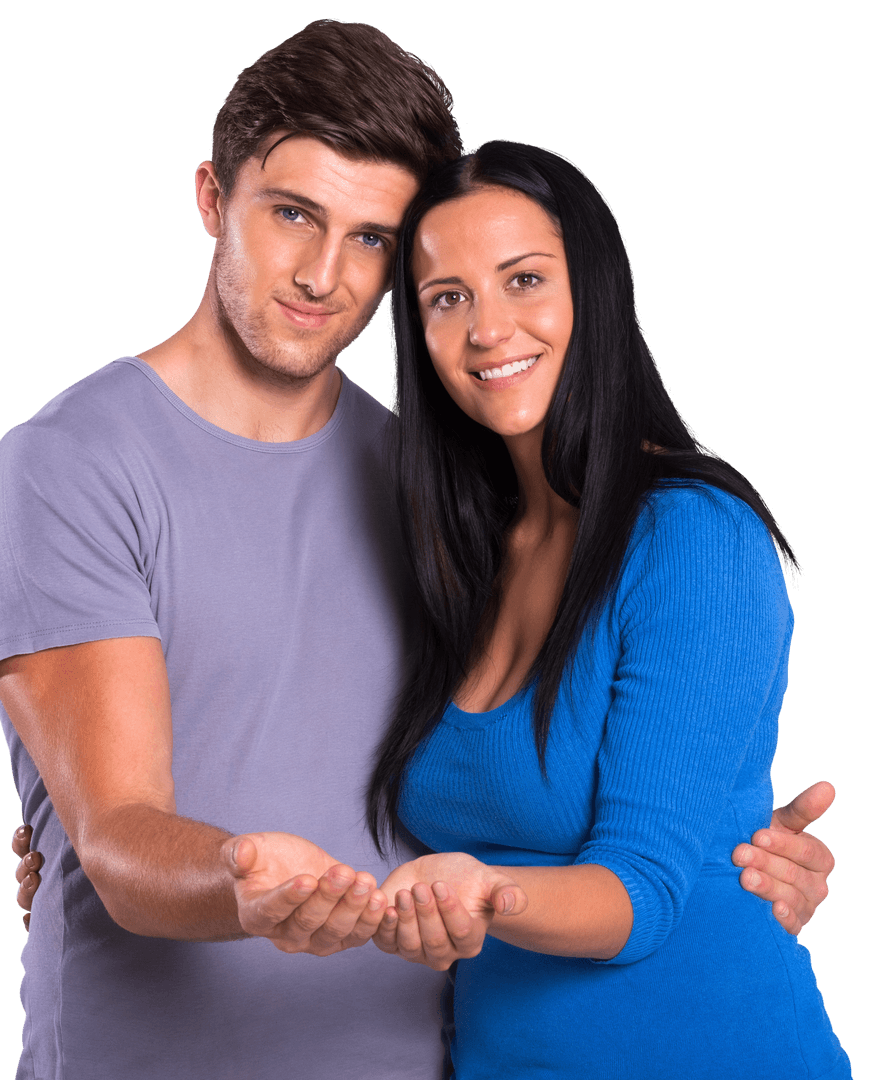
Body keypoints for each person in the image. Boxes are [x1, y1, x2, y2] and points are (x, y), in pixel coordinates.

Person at [0, 20, 837, 1080]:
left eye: (371, 238)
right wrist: (227, 871)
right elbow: (120, 839)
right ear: (209, 199)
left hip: (425, 1057)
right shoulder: (67, 466)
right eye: (291, 214)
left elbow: (590, 792)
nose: (323, 274)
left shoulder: (428, 484)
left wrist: (724, 847)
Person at [363, 140, 850, 1077]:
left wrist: (477, 890)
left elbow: (641, 893)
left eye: (525, 279)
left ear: (596, 288)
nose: (488, 329)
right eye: (448, 297)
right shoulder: (463, 557)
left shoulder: (694, 536)